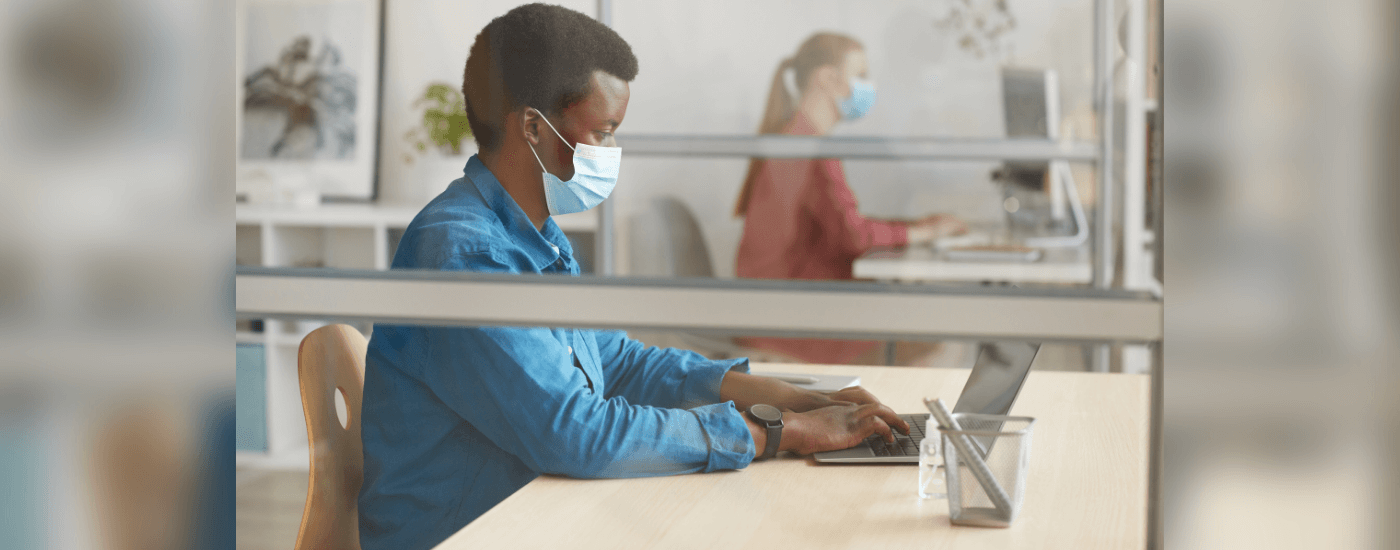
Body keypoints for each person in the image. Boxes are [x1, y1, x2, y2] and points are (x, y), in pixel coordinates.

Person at [356, 6, 909, 550]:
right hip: (471, 533)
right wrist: (780, 431)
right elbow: (575, 433)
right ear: (531, 126)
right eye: (603, 131)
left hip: (537, 511)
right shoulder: (465, 253)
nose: (613, 153)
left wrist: (781, 395)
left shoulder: (532, 233)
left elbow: (610, 361)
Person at [733, 32, 967, 366]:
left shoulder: (796, 136)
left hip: (778, 310)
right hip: (790, 322)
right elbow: (853, 236)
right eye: (860, 76)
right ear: (827, 79)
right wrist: (923, 233)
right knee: (942, 338)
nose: (867, 87)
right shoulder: (812, 147)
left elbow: (842, 225)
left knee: (921, 322)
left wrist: (914, 227)